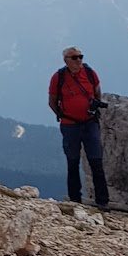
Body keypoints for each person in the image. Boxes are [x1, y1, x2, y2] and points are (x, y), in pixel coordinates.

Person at [49, 46, 109, 209]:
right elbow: (52, 101)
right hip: (70, 126)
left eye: (80, 57)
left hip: (90, 123)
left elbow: (97, 93)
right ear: (66, 61)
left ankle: (103, 202)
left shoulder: (90, 73)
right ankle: (75, 201)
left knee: (96, 162)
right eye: (74, 58)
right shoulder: (58, 77)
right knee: (72, 162)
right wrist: (63, 115)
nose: (79, 60)